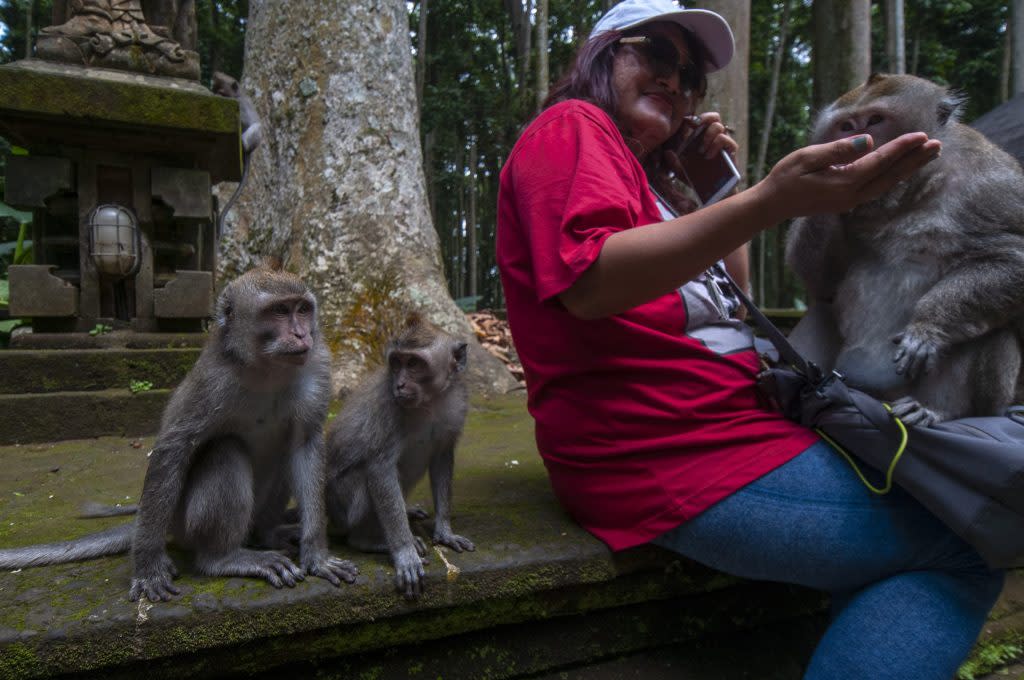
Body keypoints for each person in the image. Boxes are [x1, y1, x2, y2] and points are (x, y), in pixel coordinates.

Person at [495, 0, 1005, 677]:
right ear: (598, 56)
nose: (677, 83)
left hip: (733, 434)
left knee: (931, 545)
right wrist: (767, 200)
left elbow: (728, 303)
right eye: (655, 55)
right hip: (674, 455)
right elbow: (590, 284)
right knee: (971, 543)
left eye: (692, 76)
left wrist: (715, 191)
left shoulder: (647, 181)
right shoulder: (573, 127)